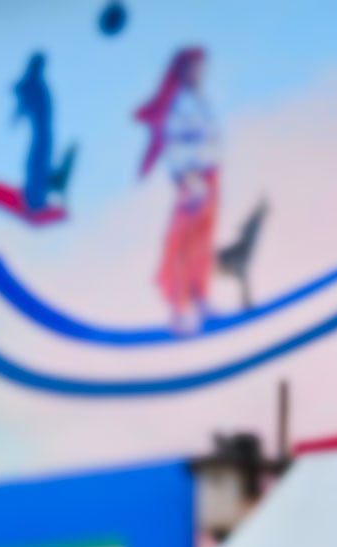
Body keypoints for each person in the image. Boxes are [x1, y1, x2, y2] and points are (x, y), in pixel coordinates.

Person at [135, 48, 220, 333]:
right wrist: (187, 176)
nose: (200, 73)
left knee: (202, 242)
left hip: (210, 176)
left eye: (202, 67)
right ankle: (179, 306)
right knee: (183, 243)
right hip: (192, 178)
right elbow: (174, 144)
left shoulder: (199, 101)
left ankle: (200, 296)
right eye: (195, 67)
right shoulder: (180, 104)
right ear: (183, 71)